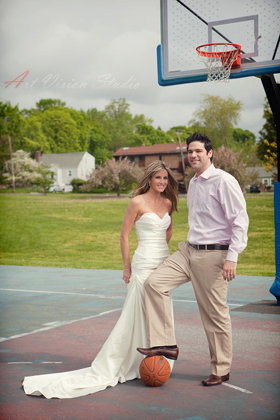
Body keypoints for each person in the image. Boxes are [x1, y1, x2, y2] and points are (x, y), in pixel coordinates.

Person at [22, 160, 178, 399]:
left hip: (162, 262)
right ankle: (128, 360)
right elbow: (124, 236)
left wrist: (161, 251)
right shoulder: (136, 202)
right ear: (149, 179)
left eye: (165, 178)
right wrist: (127, 267)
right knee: (136, 312)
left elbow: (168, 231)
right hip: (143, 263)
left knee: (159, 311)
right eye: (158, 178)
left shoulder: (168, 202)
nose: (162, 182)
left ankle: (156, 357)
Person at [137, 132, 249, 386]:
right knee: (154, 283)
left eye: (198, 151)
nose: (193, 155)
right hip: (189, 250)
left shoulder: (224, 181)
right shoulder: (195, 182)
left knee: (214, 313)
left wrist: (232, 257)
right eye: (190, 151)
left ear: (210, 153)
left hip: (214, 255)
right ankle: (166, 344)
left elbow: (240, 221)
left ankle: (221, 368)